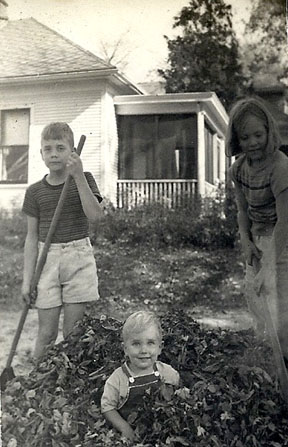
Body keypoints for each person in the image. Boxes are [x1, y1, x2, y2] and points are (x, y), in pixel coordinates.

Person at [22, 122, 103, 359]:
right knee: (46, 333)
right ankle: (36, 384)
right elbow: (31, 238)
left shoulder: (84, 179)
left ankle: (70, 386)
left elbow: (96, 216)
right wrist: (27, 281)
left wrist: (77, 176)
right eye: (48, 149)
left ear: (72, 152)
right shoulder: (35, 192)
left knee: (73, 332)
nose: (54, 153)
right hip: (46, 261)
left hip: (78, 257)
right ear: (41, 154)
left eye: (60, 147)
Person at [226, 96, 288, 363]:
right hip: (258, 240)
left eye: (258, 135)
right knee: (257, 302)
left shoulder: (280, 166)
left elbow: (286, 220)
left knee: (281, 312)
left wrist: (271, 267)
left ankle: (284, 369)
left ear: (268, 132)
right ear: (236, 140)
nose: (252, 143)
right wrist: (246, 241)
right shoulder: (238, 169)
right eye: (245, 137)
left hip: (283, 242)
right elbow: (242, 210)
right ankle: (269, 369)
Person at [101, 310, 180, 441]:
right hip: (131, 435)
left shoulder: (168, 373)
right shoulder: (118, 379)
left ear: (160, 347)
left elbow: (178, 398)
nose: (144, 350)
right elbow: (108, 407)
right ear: (125, 348)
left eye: (150, 343)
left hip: (162, 433)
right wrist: (124, 428)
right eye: (136, 344)